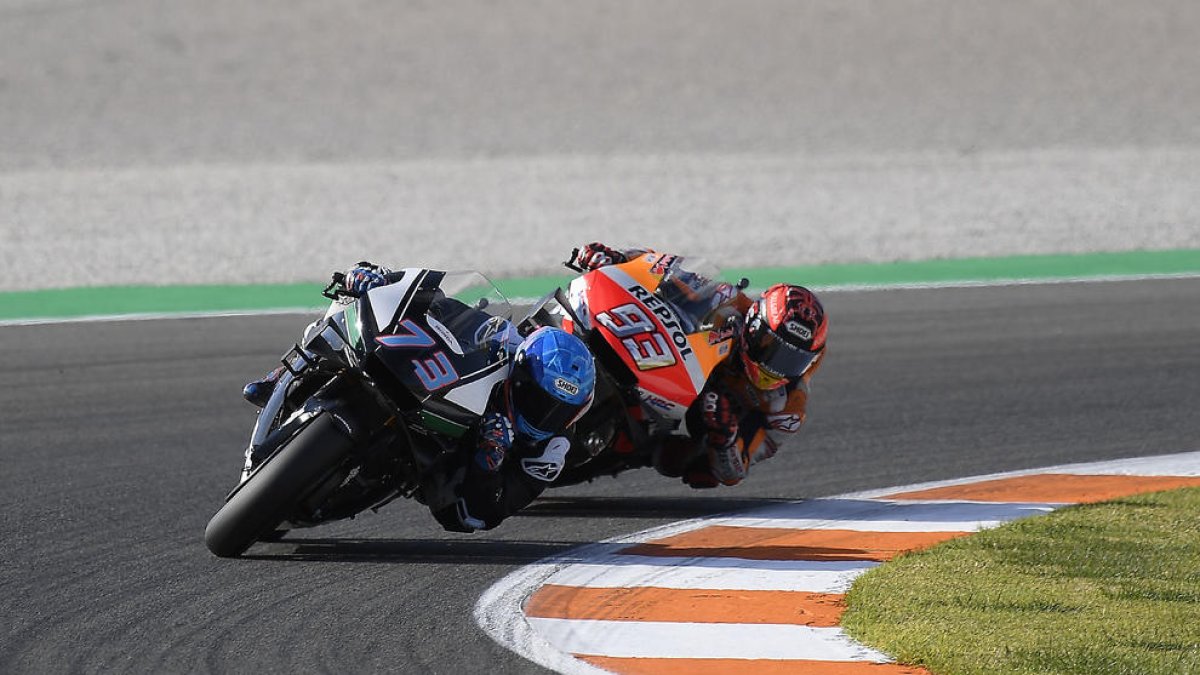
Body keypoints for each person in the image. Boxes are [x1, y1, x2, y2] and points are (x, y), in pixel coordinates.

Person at [243, 263, 597, 533]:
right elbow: (437, 304)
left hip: (451, 465)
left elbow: (487, 514)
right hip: (431, 398)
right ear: (520, 376)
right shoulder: (505, 340)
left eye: (558, 412)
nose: (544, 417)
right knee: (346, 306)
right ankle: (279, 376)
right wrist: (380, 280)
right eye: (539, 402)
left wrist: (488, 461)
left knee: (461, 513)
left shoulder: (551, 450)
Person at [573, 243, 828, 488]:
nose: (776, 366)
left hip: (700, 414)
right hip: (667, 359)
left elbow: (736, 471)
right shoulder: (731, 303)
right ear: (754, 326)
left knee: (683, 461)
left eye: (793, 360)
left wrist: (725, 436)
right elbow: (660, 267)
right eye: (772, 348)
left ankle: (623, 445)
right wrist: (619, 258)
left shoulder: (787, 407)